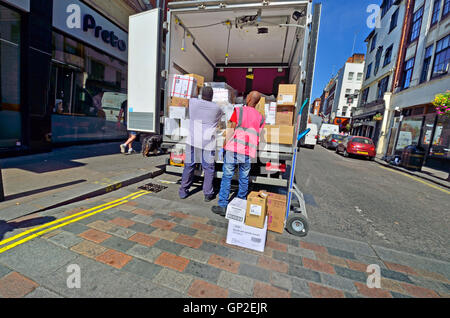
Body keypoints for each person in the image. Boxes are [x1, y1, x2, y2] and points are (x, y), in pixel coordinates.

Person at [212, 91, 265, 216]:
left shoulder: (239, 111)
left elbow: (231, 130)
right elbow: (259, 134)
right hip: (248, 151)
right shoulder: (261, 117)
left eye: (248, 96)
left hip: (234, 149)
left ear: (250, 99)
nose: (246, 97)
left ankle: (223, 206)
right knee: (244, 178)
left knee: (227, 176)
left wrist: (224, 145)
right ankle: (240, 206)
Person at [179, 86, 223, 202]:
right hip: (208, 142)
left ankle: (183, 191)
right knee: (208, 168)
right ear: (212, 96)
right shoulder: (217, 108)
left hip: (192, 140)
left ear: (201, 94)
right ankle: (208, 193)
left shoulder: (193, 102)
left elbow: (191, 94)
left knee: (189, 165)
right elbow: (220, 120)